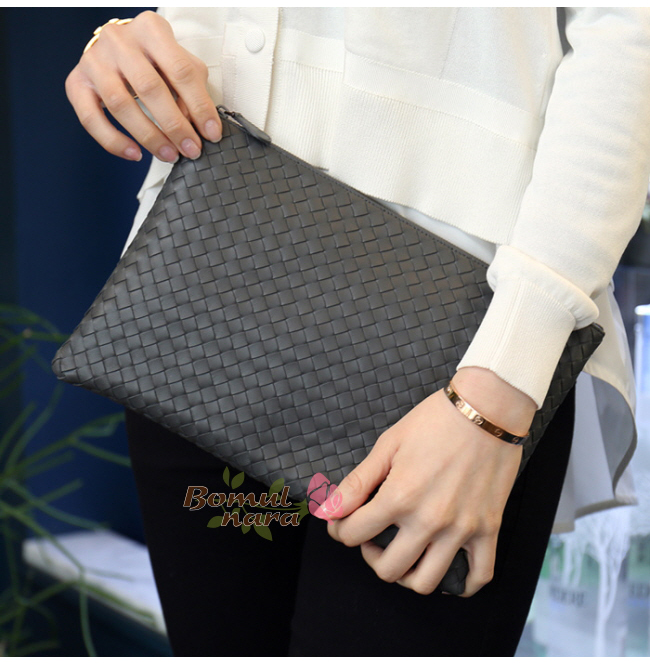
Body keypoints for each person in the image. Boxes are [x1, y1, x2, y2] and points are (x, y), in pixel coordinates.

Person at [65, 8, 650, 656]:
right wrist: (123, 36)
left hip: (459, 346)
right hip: (198, 282)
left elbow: (627, 33)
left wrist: (498, 391)